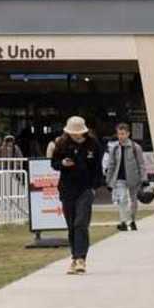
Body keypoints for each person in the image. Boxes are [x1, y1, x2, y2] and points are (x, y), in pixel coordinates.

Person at [47, 115, 103, 274]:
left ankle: (81, 259)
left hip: (85, 188)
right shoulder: (62, 143)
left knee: (81, 223)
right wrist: (62, 164)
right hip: (67, 189)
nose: (76, 135)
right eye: (73, 133)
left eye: (78, 133)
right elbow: (54, 163)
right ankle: (74, 257)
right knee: (71, 225)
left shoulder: (93, 144)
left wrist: (95, 187)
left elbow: (98, 167)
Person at [103, 121, 147, 232]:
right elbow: (111, 165)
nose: (121, 136)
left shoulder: (135, 147)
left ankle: (132, 221)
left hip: (133, 178)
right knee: (122, 199)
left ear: (128, 134)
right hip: (119, 178)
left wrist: (144, 179)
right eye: (119, 134)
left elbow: (141, 164)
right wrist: (108, 181)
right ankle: (123, 222)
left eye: (123, 133)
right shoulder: (115, 148)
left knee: (133, 201)